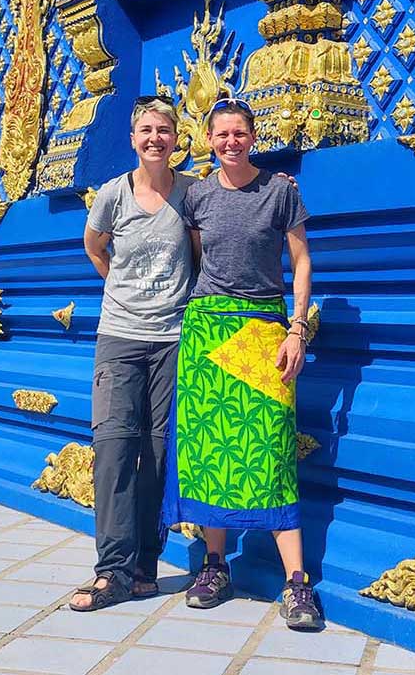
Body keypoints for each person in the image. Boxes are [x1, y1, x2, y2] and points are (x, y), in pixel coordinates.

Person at [162, 96, 324, 631]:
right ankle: (214, 566)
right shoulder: (199, 197)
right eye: (221, 134)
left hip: (263, 329)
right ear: (209, 140)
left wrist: (297, 328)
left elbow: (301, 262)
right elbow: (190, 262)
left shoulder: (280, 192)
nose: (231, 142)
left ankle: (297, 584)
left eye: (239, 133)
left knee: (272, 452)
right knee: (213, 452)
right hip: (208, 330)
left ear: (253, 136)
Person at [72, 96, 194, 611]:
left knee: (159, 454)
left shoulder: (191, 193)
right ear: (132, 137)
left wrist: (282, 188)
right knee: (116, 450)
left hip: (172, 339)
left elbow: (227, 214)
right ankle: (111, 570)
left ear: (175, 137)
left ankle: (146, 562)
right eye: (146, 129)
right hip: (120, 336)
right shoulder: (112, 195)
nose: (155, 139)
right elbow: (94, 247)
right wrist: (120, 291)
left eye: (164, 130)